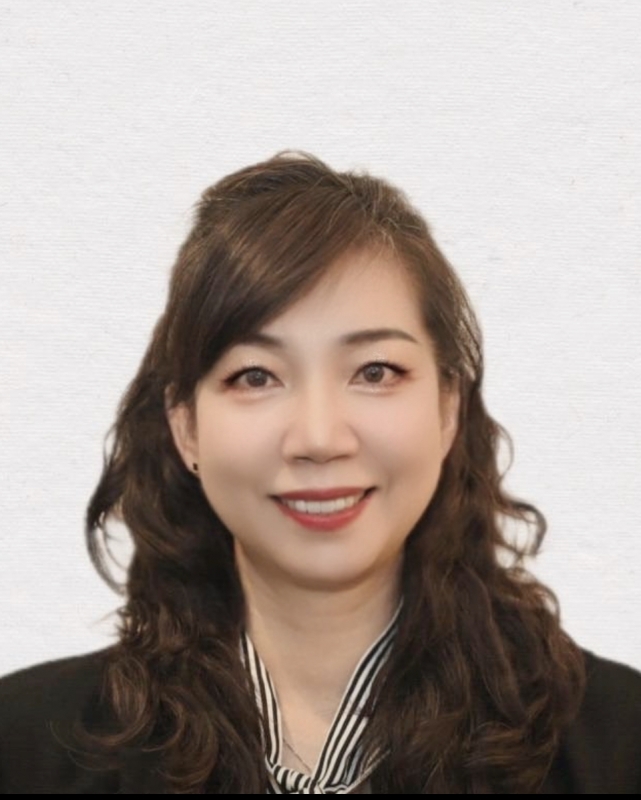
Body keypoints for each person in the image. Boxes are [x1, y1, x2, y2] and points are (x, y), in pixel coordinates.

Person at [1, 152, 640, 795]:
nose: (318, 439)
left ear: (448, 408)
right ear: (186, 425)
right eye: (256, 376)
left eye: (375, 372)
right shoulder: (24, 747)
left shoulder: (620, 745)